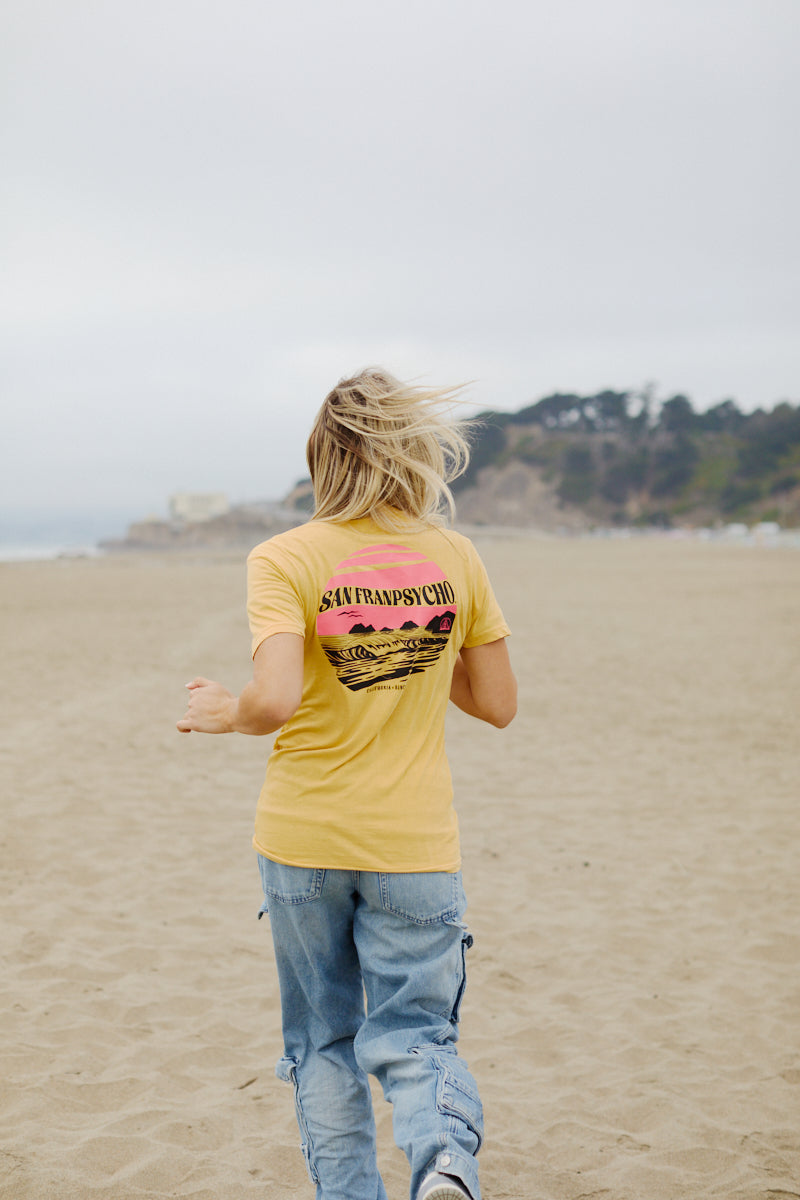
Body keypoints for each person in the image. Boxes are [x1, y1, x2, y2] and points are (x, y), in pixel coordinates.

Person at [177, 368, 517, 1200]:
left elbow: (277, 698)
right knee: (417, 1036)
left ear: (322, 457)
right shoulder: (454, 556)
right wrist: (416, 649)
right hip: (413, 845)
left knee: (324, 1042)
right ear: (414, 455)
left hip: (303, 839)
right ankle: (441, 1164)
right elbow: (498, 704)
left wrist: (228, 714)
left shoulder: (285, 556)